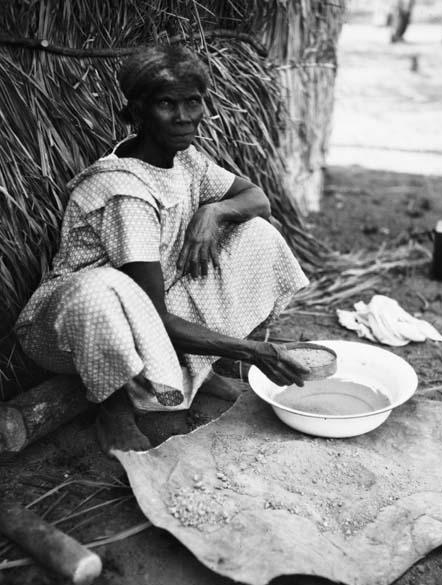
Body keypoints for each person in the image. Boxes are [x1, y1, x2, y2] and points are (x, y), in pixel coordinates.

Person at [15, 45, 310, 456]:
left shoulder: (185, 159)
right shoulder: (125, 190)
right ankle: (114, 409)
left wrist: (215, 210)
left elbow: (257, 199)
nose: (184, 116)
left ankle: (199, 371)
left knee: (255, 233)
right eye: (167, 104)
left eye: (193, 102)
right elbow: (151, 315)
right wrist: (249, 351)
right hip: (69, 328)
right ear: (138, 111)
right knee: (100, 289)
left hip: (146, 307)